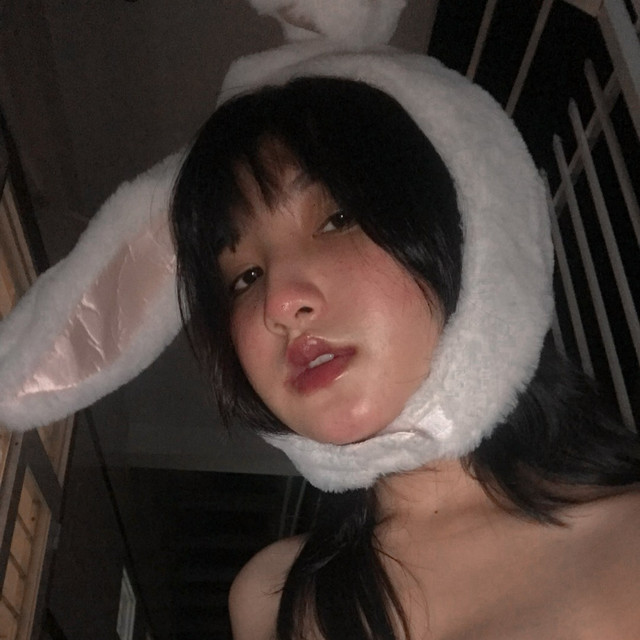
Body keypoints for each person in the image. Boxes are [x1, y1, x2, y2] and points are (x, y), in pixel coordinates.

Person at [170, 75, 640, 640]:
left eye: (336, 220)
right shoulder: (269, 596)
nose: (279, 303)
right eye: (244, 277)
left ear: (466, 229)